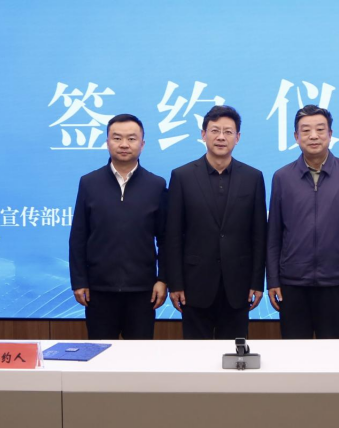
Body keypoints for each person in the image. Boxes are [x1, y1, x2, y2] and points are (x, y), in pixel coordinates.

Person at [266, 105, 339, 339]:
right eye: (306, 130)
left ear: (330, 134)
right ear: (296, 136)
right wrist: (273, 279)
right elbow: (273, 234)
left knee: (334, 354)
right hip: (292, 283)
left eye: (320, 129)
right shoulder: (282, 177)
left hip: (337, 281)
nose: (313, 136)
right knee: (294, 353)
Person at [166, 105, 267, 339]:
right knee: (195, 354)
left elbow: (259, 234)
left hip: (238, 285)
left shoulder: (253, 177)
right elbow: (173, 235)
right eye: (215, 131)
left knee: (234, 353)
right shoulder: (182, 176)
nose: (221, 137)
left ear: (237, 137)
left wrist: (256, 281)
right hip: (194, 285)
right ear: (203, 134)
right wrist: (176, 283)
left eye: (228, 132)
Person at [69, 114, 167, 340]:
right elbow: (78, 236)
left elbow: (165, 239)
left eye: (131, 139)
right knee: (101, 354)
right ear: (107, 142)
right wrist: (79, 281)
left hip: (143, 291)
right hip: (98, 291)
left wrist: (163, 279)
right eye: (117, 138)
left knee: (140, 356)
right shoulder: (89, 183)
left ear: (142, 144)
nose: (124, 144)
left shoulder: (156, 185)